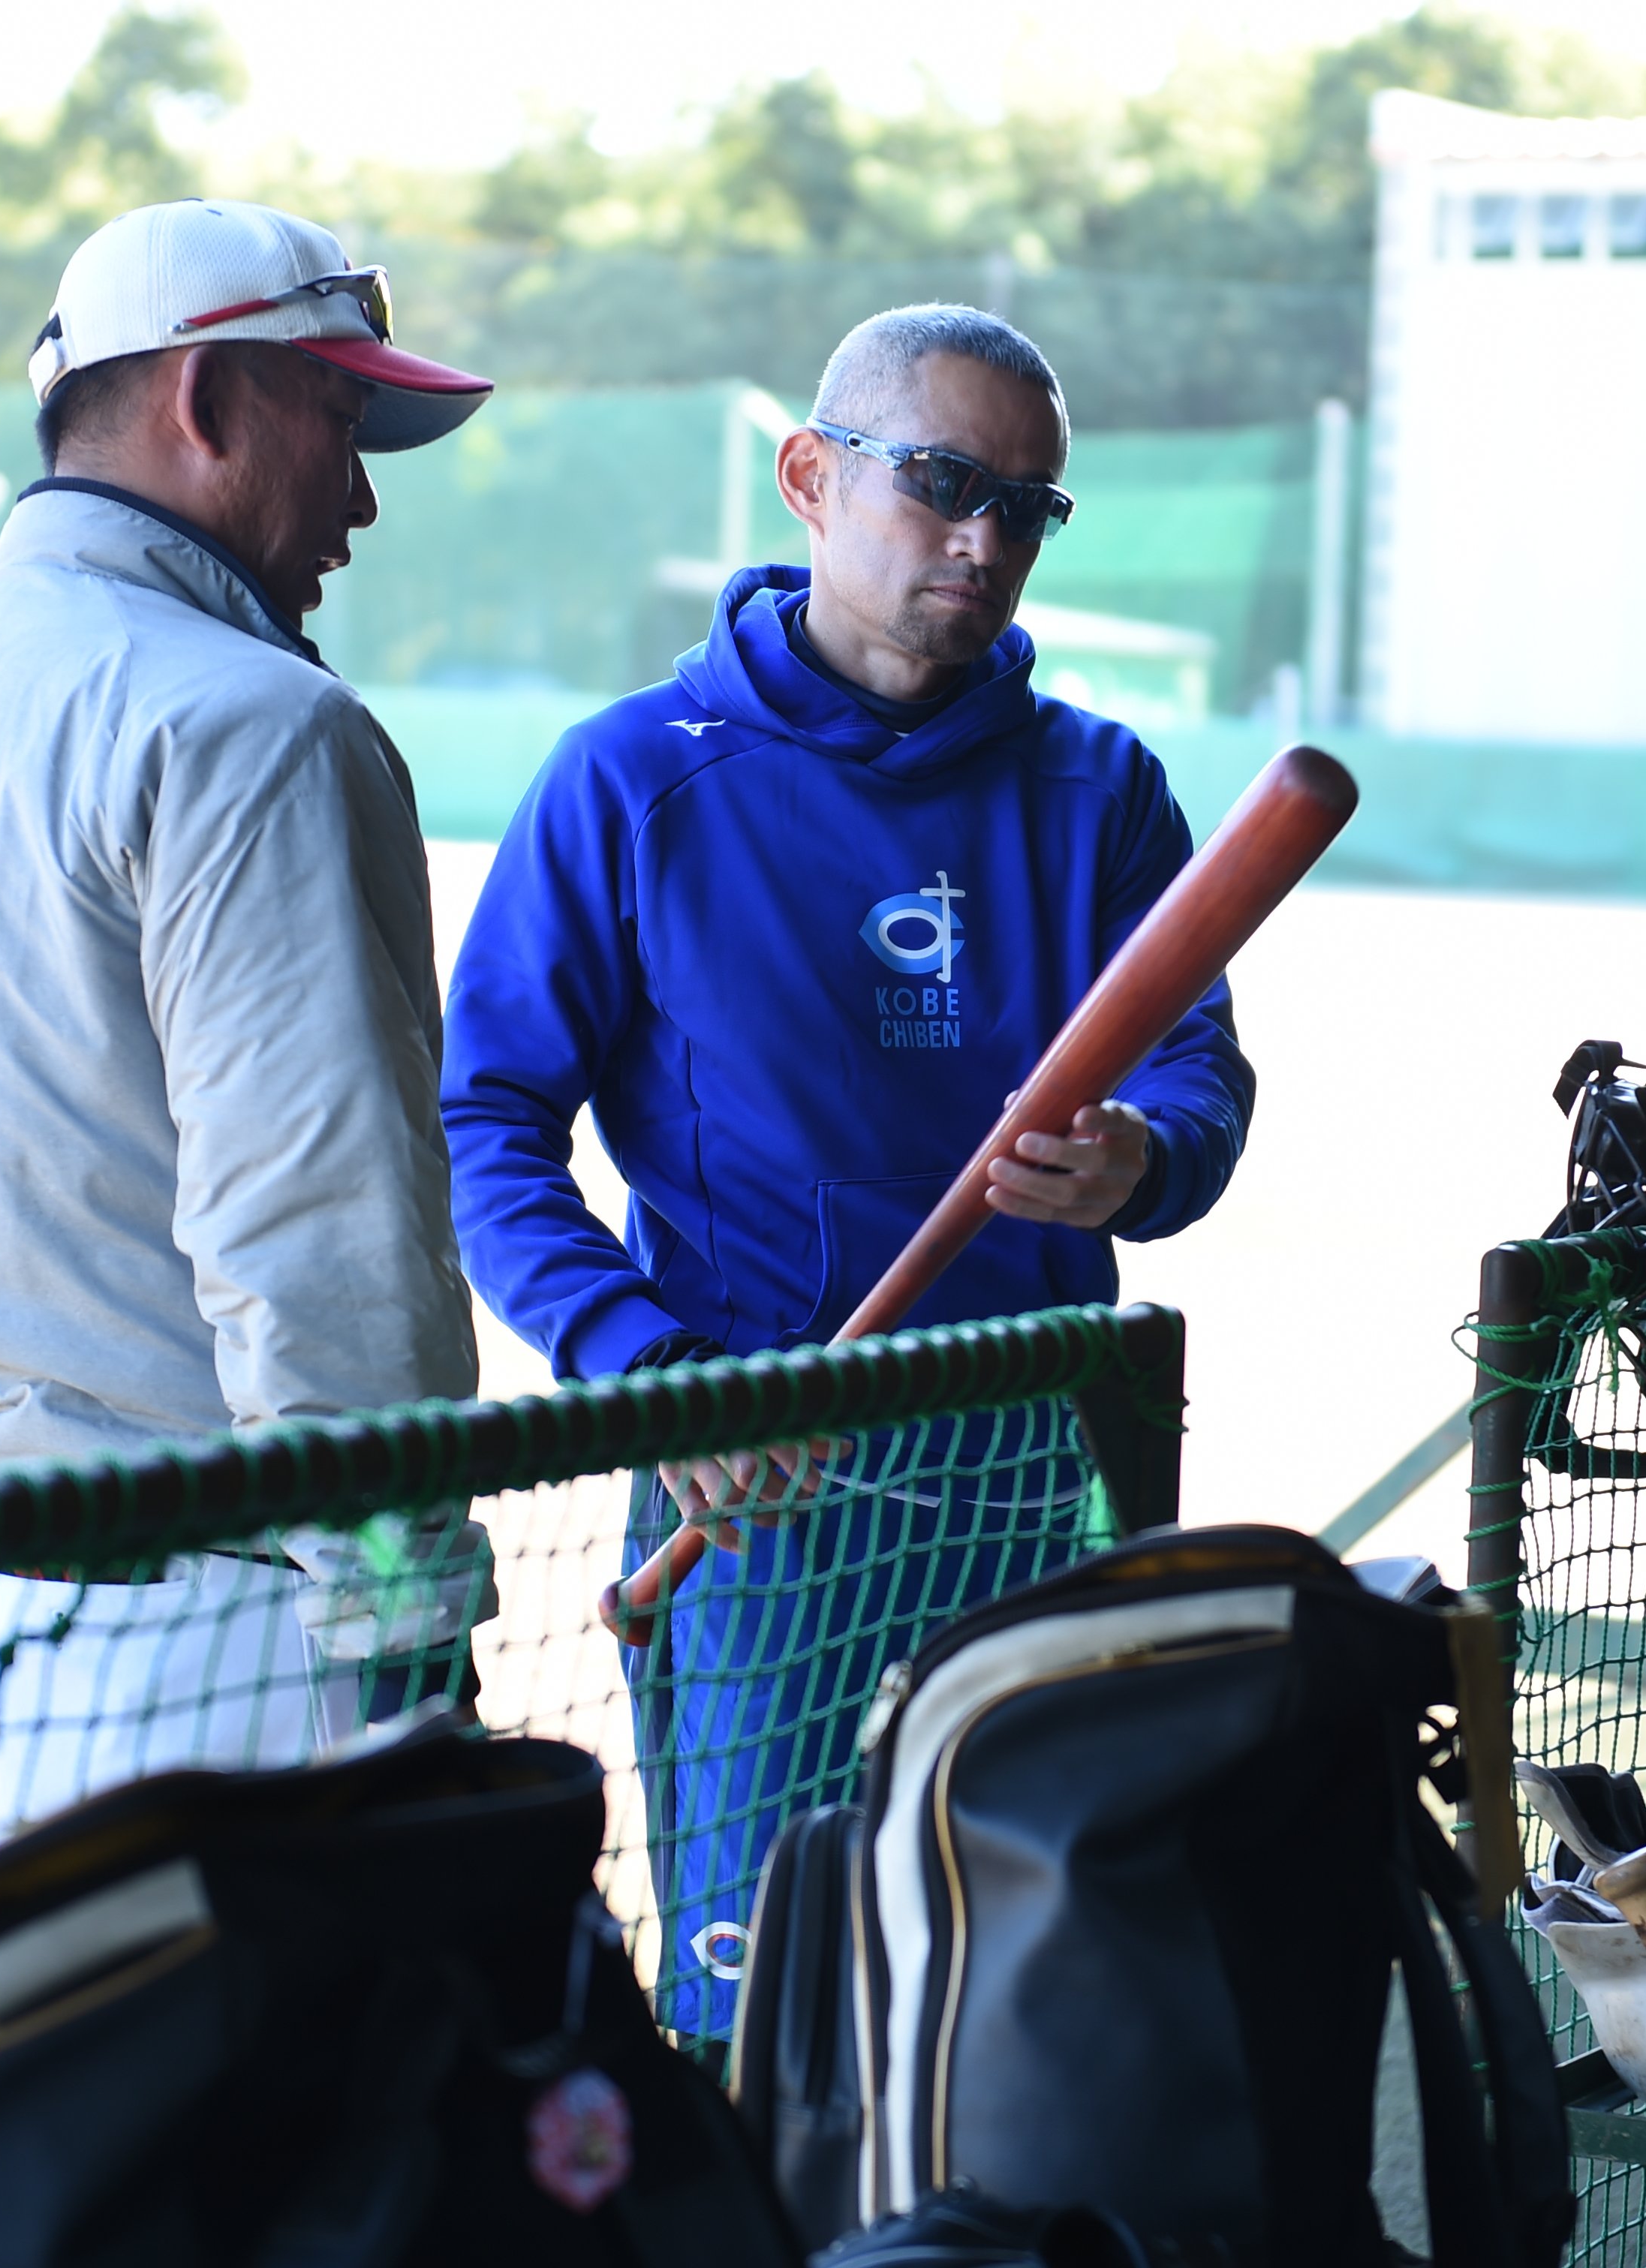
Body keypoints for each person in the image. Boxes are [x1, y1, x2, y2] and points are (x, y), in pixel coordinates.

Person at [442, 304, 1258, 2032]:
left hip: (1038, 1466)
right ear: (813, 476)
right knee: (770, 2003)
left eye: (1028, 505)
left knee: (1023, 1987)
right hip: (751, 1477)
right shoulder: (630, 781)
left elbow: (1196, 1065)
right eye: (945, 480)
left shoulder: (1104, 790)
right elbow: (489, 1127)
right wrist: (657, 1381)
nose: (985, 537)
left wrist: (1141, 1154)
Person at [0, 199, 497, 1900]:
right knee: (307, 2163)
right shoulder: (257, 722)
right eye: (341, 422)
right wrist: (403, 1653)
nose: (365, 499)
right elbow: (324, 1250)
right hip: (224, 1666)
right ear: (208, 400)